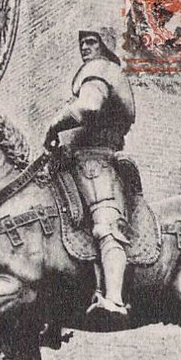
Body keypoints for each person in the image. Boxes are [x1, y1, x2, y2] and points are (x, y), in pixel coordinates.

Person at [44, 28, 136, 318]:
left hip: (97, 164)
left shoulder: (100, 72)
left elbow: (88, 107)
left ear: (105, 46)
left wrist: (54, 124)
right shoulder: (92, 73)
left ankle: (115, 299)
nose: (85, 47)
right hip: (75, 164)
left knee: (105, 224)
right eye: (82, 42)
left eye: (91, 42)